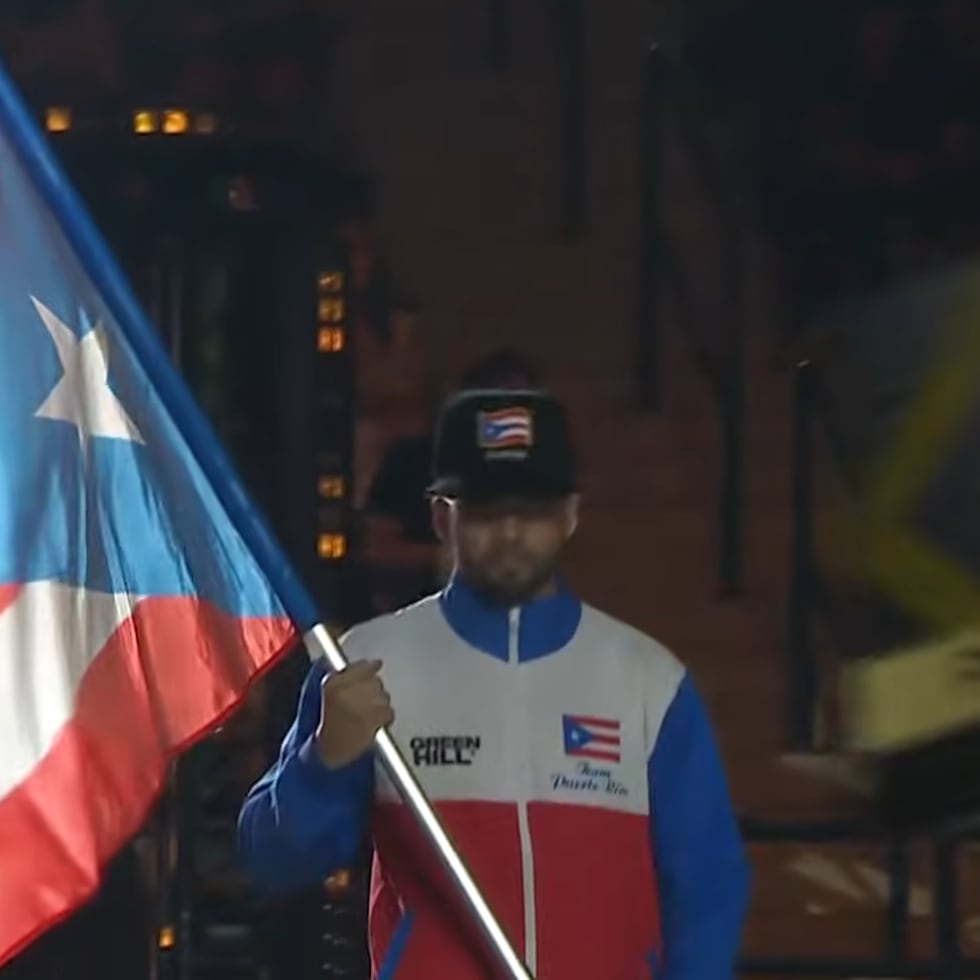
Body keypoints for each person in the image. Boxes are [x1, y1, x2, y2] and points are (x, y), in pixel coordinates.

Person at [237, 389, 750, 978]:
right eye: (484, 509)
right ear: (441, 517)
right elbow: (270, 862)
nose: (509, 531)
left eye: (531, 509)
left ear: (570, 516)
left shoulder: (647, 682)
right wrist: (321, 762)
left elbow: (708, 889)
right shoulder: (370, 664)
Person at [362, 347, 543, 610]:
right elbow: (376, 550)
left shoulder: (530, 475)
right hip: (414, 619)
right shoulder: (411, 459)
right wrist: (446, 559)